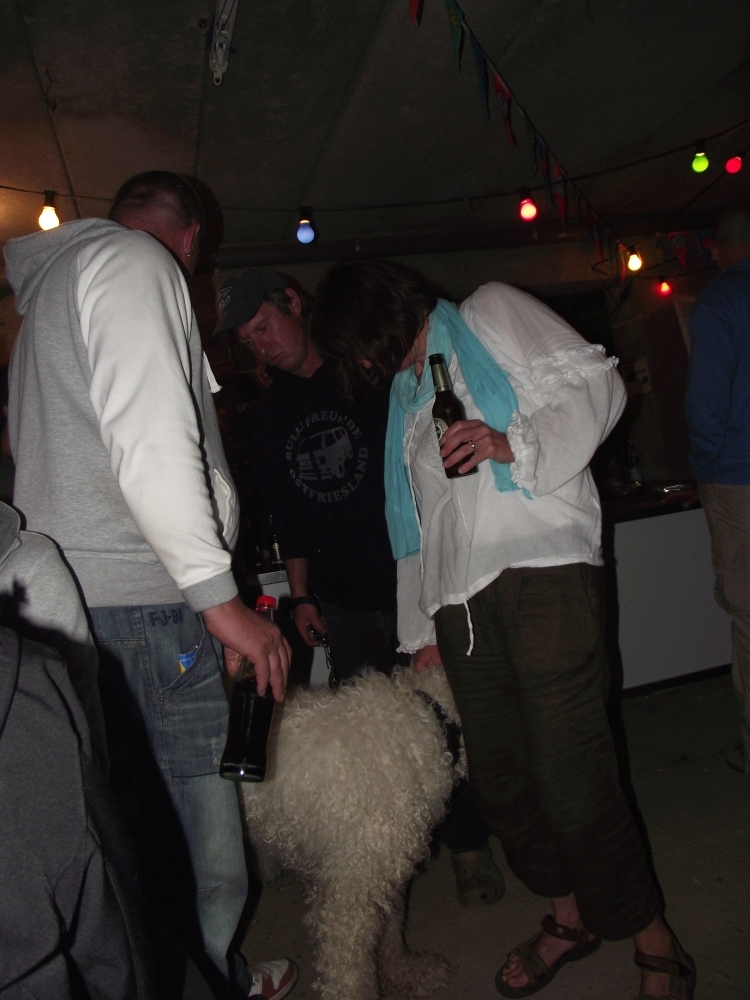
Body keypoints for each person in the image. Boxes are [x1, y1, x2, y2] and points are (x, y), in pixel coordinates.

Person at [311, 259, 695, 1000]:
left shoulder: (488, 312)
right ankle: (568, 918)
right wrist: (420, 628)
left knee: (570, 772)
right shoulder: (408, 396)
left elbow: (599, 387)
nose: (363, 365)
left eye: (357, 346)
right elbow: (418, 524)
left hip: (543, 569)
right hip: (459, 604)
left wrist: (510, 442)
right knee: (502, 782)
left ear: (378, 314)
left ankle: (653, 935)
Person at [4, 171, 296, 1000]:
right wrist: (219, 602)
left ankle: (211, 975)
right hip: (141, 603)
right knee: (204, 861)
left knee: (130, 838)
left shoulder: (50, 294)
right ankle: (208, 981)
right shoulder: (137, 264)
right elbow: (152, 439)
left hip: (79, 607)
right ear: (193, 239)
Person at [214, 267, 506, 906]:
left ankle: (469, 846)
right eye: (248, 340)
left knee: (444, 722)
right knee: (373, 747)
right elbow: (289, 519)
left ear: (294, 303)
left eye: (263, 326)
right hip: (342, 600)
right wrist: (303, 595)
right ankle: (379, 864)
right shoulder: (268, 417)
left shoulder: (370, 378)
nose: (260, 345)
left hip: (415, 583)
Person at [686, 202, 750, 776]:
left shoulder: (720, 301)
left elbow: (706, 406)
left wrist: (706, 472)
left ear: (716, 247)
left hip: (739, 480)